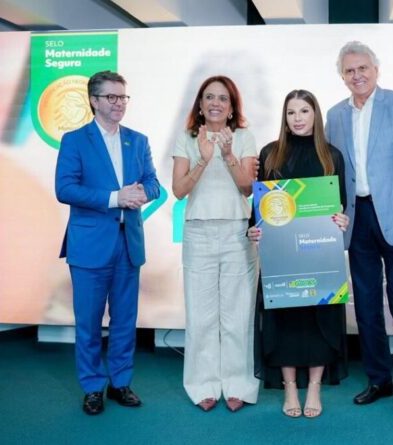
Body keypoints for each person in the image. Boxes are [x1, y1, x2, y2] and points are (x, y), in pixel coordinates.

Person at [325, 41, 393, 415]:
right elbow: (331, 172)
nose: (357, 75)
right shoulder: (335, 115)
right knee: (367, 306)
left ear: (376, 69)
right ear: (342, 76)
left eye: (363, 68)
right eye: (349, 71)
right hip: (357, 220)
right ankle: (378, 379)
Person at [55, 70, 160, 415]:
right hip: (89, 246)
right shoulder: (75, 140)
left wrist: (141, 193)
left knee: (124, 319)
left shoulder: (138, 139)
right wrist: (116, 197)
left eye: (123, 97)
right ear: (94, 101)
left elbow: (154, 184)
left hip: (128, 244)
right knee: (88, 322)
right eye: (112, 97)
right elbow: (65, 189)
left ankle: (120, 382)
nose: (119, 104)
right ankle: (92, 387)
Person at [249, 89, 350, 419]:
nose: (298, 118)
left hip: (320, 255)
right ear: (285, 118)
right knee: (285, 321)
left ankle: (316, 386)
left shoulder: (331, 155)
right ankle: (291, 387)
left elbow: (341, 204)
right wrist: (255, 228)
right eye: (291, 112)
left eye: (304, 111)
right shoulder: (270, 154)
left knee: (319, 319)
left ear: (315, 115)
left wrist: (341, 218)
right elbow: (260, 207)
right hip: (282, 258)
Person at [170, 75, 260, 412]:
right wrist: (205, 158)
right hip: (199, 232)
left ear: (232, 105)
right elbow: (179, 190)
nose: (216, 103)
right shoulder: (187, 138)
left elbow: (248, 188)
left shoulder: (245, 137)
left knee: (238, 314)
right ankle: (202, 385)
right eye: (209, 97)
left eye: (223, 98)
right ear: (200, 104)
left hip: (238, 231)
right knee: (201, 316)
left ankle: (238, 384)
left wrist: (228, 153)